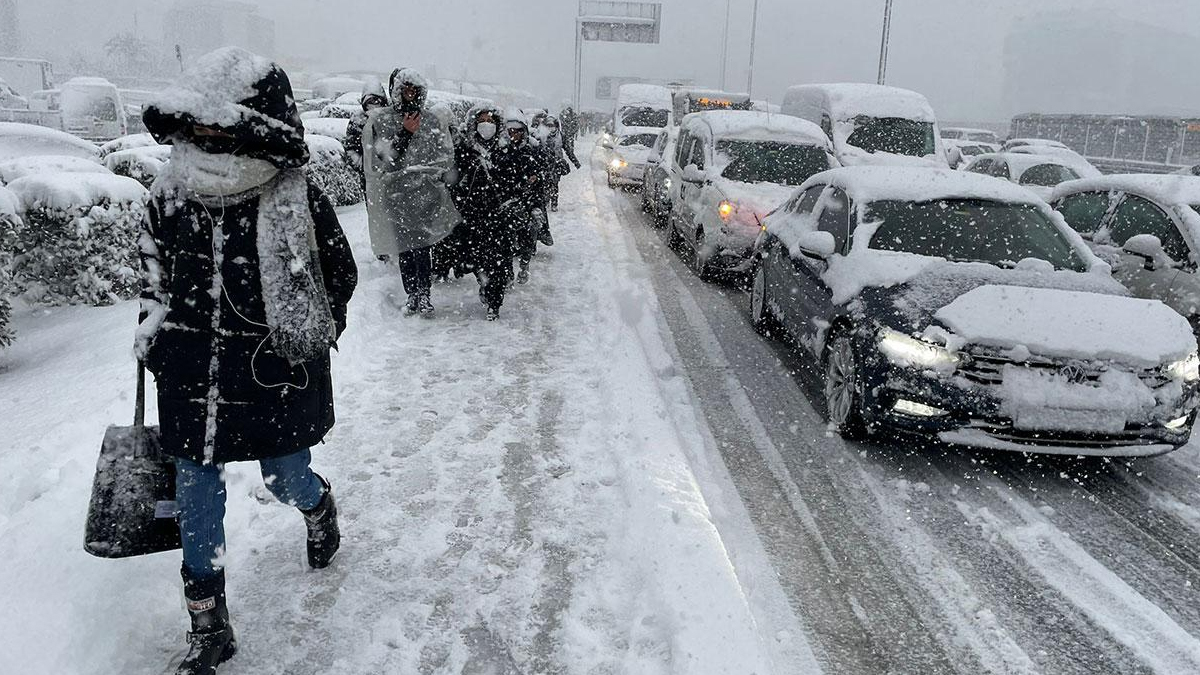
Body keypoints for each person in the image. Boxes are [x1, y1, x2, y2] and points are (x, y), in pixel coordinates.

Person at [136, 47, 358, 675]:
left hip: (272, 371)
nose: (205, 135)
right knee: (195, 492)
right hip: (191, 372)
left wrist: (304, 336)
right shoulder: (170, 193)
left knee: (284, 476)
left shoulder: (293, 198)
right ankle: (208, 624)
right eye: (198, 124)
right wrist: (155, 337)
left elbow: (337, 277)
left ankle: (317, 507)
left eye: (219, 125)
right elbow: (152, 278)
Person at [363, 68, 460, 315]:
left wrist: (438, 179)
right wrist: (405, 134)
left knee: (423, 246)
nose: (409, 95)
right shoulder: (383, 120)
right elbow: (383, 161)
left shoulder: (431, 120)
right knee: (405, 246)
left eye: (414, 90)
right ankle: (412, 294)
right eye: (405, 90)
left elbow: (442, 155)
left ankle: (424, 294)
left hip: (426, 194)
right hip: (397, 194)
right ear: (396, 92)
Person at [452, 104, 510, 320]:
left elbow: (512, 182)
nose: (487, 125)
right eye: (482, 121)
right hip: (473, 217)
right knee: (477, 259)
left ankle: (495, 301)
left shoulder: (505, 151)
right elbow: (454, 181)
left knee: (499, 261)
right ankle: (483, 282)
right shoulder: (465, 150)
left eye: (491, 121)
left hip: (499, 217)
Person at [495, 111, 546, 285]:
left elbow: (540, 175)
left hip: (528, 201)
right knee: (505, 241)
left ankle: (524, 266)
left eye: (517, 131)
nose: (514, 135)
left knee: (527, 238)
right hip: (507, 202)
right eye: (510, 131)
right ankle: (508, 271)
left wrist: (535, 181)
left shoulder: (532, 149)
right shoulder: (500, 151)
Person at [343, 85, 388, 188]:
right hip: (368, 176)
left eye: (377, 102)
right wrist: (362, 165)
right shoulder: (358, 119)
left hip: (388, 173)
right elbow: (351, 147)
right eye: (370, 103)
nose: (373, 106)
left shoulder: (389, 119)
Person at [534, 114, 570, 218]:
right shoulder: (542, 136)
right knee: (545, 183)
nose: (551, 128)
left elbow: (567, 149)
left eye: (552, 126)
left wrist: (576, 162)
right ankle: (546, 200)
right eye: (548, 126)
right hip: (545, 164)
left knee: (554, 183)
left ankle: (554, 203)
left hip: (557, 164)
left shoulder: (560, 136)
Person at [558, 102, 582, 170]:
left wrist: (572, 132)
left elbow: (576, 125)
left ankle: (572, 155)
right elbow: (561, 121)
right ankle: (573, 157)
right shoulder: (563, 115)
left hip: (569, 133)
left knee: (570, 146)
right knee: (568, 147)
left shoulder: (573, 116)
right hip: (565, 133)